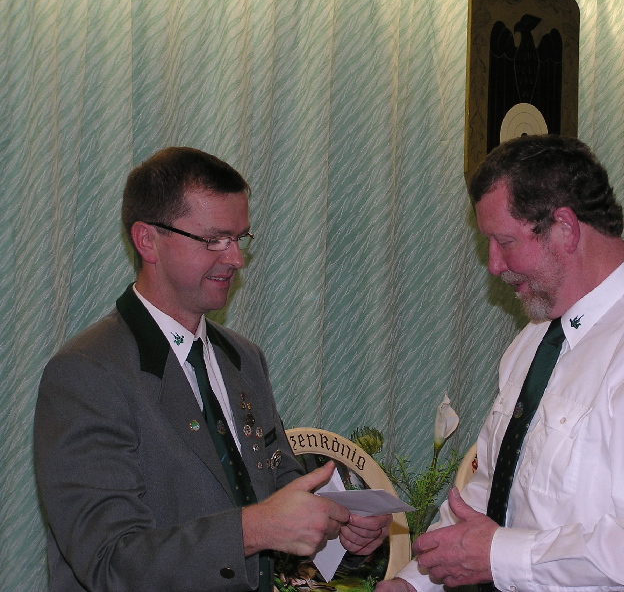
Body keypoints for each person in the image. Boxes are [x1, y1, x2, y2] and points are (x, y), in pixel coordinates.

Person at [378, 135, 624, 592]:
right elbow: (493, 488)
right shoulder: (536, 339)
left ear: (565, 227)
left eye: (505, 242)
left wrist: (500, 555)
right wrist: (413, 582)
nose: (494, 265)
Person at [34, 147, 391, 592]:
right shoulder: (87, 373)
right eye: (214, 240)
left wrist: (341, 522)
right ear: (148, 241)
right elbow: (110, 561)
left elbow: (279, 486)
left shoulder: (241, 358)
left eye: (240, 238)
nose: (235, 259)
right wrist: (254, 529)